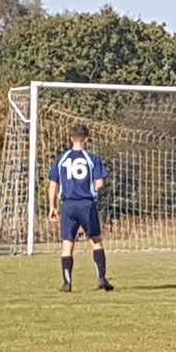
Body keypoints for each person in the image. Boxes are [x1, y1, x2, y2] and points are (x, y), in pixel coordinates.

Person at [47, 123, 113, 292]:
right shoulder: (92, 158)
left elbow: (53, 184)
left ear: (71, 139)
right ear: (87, 139)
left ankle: (67, 283)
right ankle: (101, 278)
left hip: (68, 205)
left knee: (67, 244)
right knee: (96, 241)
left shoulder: (61, 158)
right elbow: (99, 183)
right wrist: (92, 187)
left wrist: (52, 206)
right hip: (86, 203)